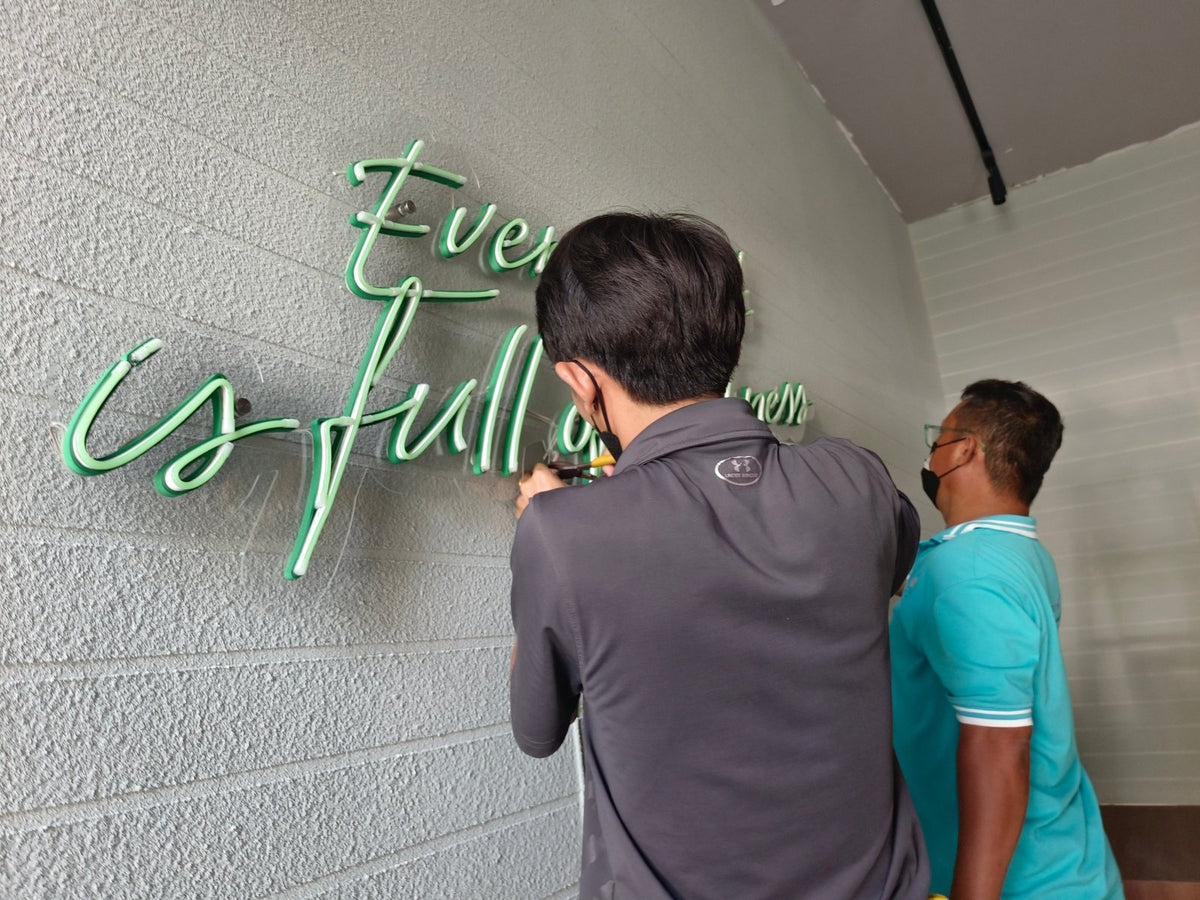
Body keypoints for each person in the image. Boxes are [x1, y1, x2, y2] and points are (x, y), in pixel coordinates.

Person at [508, 211, 929, 899]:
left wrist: (551, 526)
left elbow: (536, 729)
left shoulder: (563, 535)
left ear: (579, 380)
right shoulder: (857, 481)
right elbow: (889, 563)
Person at [890, 380, 1123, 899]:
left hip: (1026, 883)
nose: (932, 452)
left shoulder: (968, 571)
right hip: (1068, 856)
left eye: (939, 438)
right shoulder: (1017, 554)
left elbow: (1000, 745)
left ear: (965, 448)